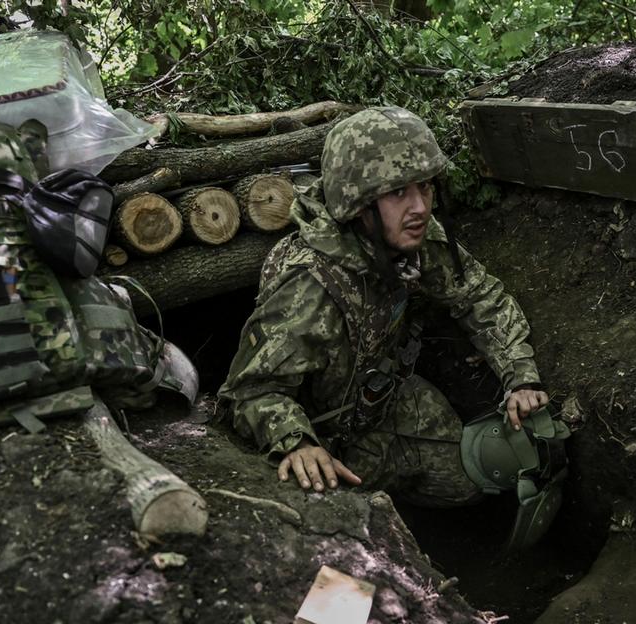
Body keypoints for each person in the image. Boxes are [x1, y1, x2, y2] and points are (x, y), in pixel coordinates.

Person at [218, 106, 550, 508]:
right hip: (319, 435)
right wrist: (296, 442)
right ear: (358, 205)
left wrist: (520, 377)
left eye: (425, 187)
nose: (420, 206)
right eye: (398, 192)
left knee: (472, 481)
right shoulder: (308, 286)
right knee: (328, 513)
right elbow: (249, 391)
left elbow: (480, 296)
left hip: (383, 402)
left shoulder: (411, 237)